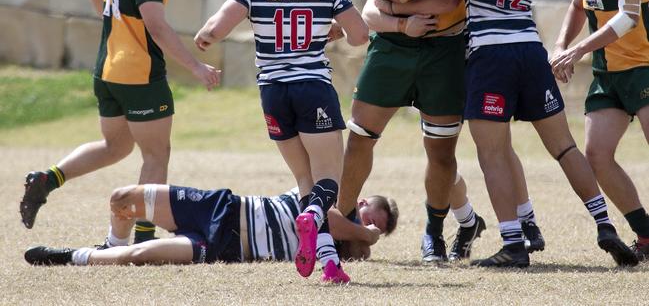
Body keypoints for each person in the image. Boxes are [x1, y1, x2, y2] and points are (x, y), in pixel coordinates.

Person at [387, 0, 638, 267]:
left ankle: (513, 244)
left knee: (492, 153)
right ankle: (605, 224)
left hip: (491, 55)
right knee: (565, 147)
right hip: (530, 50)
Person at [19, 0, 221, 244]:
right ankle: (143, 237)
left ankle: (47, 179)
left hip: (108, 71)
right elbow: (157, 28)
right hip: (139, 75)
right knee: (157, 154)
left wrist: (116, 25)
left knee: (115, 147)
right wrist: (196, 67)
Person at [194, 0, 369, 283]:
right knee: (329, 179)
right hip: (312, 88)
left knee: (305, 179)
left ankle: (329, 263)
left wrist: (205, 37)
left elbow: (215, 29)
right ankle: (310, 223)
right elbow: (359, 35)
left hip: (272, 92)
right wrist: (330, 32)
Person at [330, 0, 488, 263]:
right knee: (361, 136)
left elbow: (447, 2)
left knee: (440, 151)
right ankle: (340, 221)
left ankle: (434, 233)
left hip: (445, 47)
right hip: (393, 48)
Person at [550, 0, 649, 262]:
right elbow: (579, 6)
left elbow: (628, 18)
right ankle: (645, 234)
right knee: (597, 155)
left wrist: (576, 52)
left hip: (643, 66)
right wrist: (559, 45)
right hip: (608, 75)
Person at [23, 182, 399, 281]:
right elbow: (328, 217)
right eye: (369, 213)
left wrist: (361, 241)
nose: (367, 223)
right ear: (361, 199)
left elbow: (344, 238)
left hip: (225, 247)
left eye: (374, 226)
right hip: (223, 206)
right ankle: (109, 242)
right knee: (122, 199)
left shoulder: (334, 250)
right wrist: (365, 232)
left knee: (138, 256)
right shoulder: (327, 200)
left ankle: (68, 256)